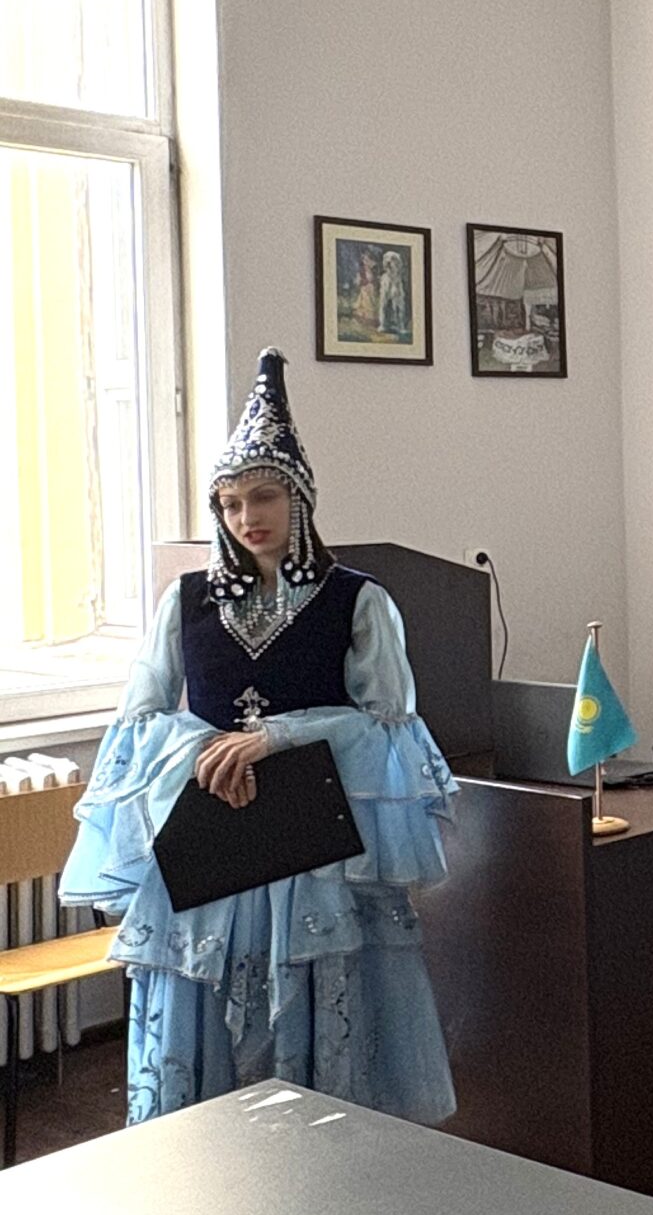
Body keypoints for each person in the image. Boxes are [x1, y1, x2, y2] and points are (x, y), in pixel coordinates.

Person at [59, 349, 457, 1125]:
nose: (249, 517)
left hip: (313, 843)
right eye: (232, 503)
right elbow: (138, 721)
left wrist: (278, 736)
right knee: (204, 1018)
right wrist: (205, 751)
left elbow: (391, 727)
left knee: (317, 1004)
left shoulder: (357, 600)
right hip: (212, 830)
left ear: (299, 498)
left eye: (265, 496)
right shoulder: (186, 601)